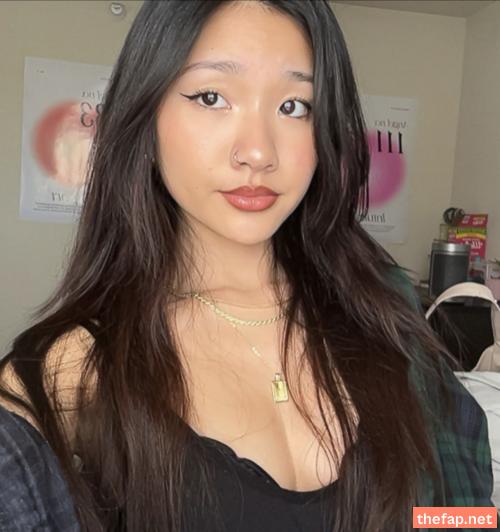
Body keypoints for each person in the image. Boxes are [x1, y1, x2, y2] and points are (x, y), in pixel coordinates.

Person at [0, 1, 496, 531]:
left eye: (294, 106)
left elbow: (461, 514)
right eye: (211, 97)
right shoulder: (78, 362)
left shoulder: (382, 307)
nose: (258, 153)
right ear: (144, 118)